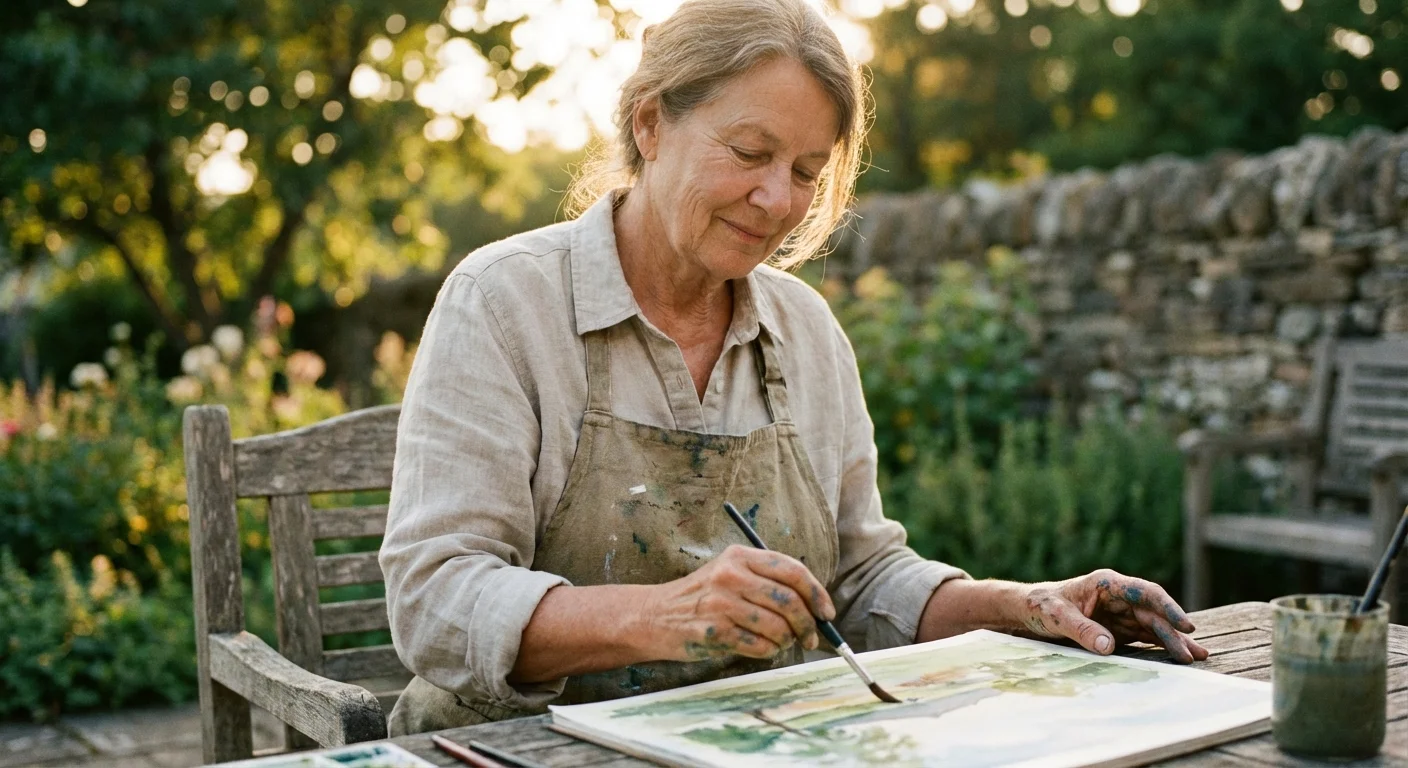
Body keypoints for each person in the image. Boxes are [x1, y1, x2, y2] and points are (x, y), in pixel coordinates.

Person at [379, 0, 1207, 736]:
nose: (778, 200)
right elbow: (434, 598)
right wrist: (667, 616)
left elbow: (860, 580)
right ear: (651, 124)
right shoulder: (504, 301)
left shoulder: (805, 329)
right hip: (518, 747)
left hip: (759, 741)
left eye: (806, 172)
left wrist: (1023, 606)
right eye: (750, 152)